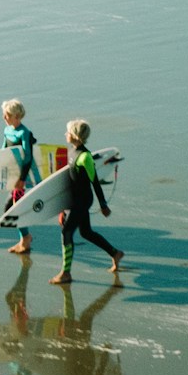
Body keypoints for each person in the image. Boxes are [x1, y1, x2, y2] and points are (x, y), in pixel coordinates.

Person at [51, 117, 123, 284]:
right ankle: (115, 253)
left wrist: (103, 205)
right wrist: (63, 208)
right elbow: (66, 183)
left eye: (68, 132)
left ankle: (66, 273)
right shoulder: (71, 152)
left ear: (75, 135)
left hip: (82, 201)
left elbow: (95, 182)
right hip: (73, 200)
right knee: (86, 232)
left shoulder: (85, 157)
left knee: (66, 232)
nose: (65, 134)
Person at [0, 99, 42, 257]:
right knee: (10, 209)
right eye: (4, 114)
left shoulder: (25, 133)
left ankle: (25, 239)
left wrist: (22, 179)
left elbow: (28, 158)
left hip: (22, 178)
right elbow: (4, 150)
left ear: (17, 116)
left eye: (7, 114)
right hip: (12, 176)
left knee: (14, 208)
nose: (4, 117)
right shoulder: (7, 130)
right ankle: (25, 238)